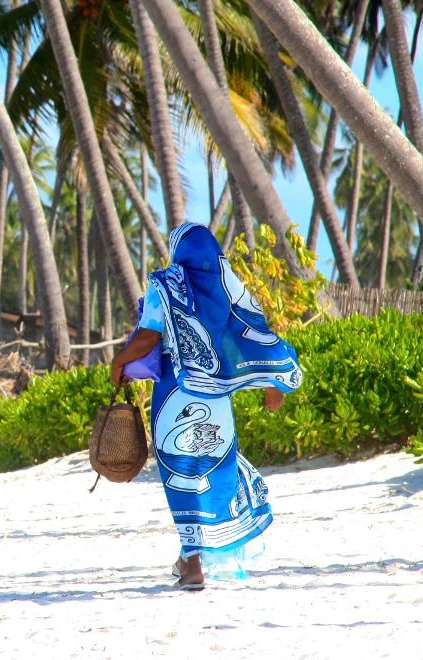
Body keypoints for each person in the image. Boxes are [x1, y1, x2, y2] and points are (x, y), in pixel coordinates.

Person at [111, 222, 302, 591]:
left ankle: (193, 564)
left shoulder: (165, 284)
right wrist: (272, 382)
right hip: (214, 398)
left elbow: (148, 336)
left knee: (181, 472)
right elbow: (253, 332)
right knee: (212, 468)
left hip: (175, 393)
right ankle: (190, 558)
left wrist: (119, 361)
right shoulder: (228, 287)